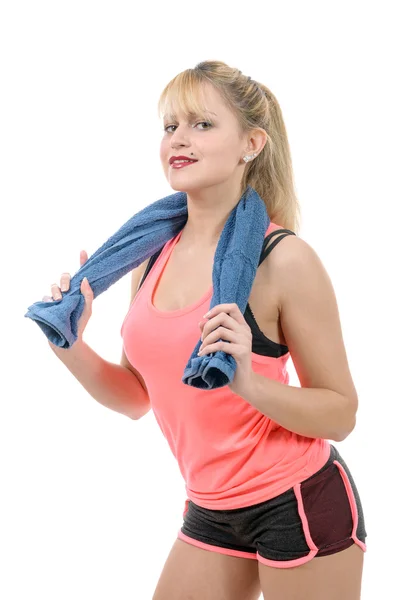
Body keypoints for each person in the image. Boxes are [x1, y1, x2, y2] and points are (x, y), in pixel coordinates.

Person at [44, 61, 367, 599]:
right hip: (211, 508)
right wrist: (71, 344)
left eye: (202, 124)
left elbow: (342, 413)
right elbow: (137, 399)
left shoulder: (282, 260)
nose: (179, 139)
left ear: (252, 143)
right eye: (170, 126)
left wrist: (249, 383)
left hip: (296, 499)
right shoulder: (150, 258)